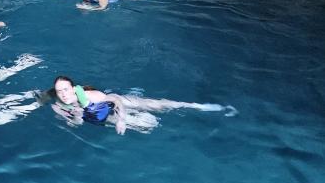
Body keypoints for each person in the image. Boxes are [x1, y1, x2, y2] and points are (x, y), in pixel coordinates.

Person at [49, 76, 233, 135]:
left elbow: (114, 99)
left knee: (159, 106)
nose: (63, 94)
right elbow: (76, 125)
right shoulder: (62, 106)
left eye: (66, 89)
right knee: (150, 125)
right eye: (59, 91)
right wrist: (71, 116)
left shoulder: (89, 96)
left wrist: (121, 120)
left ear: (73, 89)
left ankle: (194, 106)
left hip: (120, 104)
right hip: (108, 117)